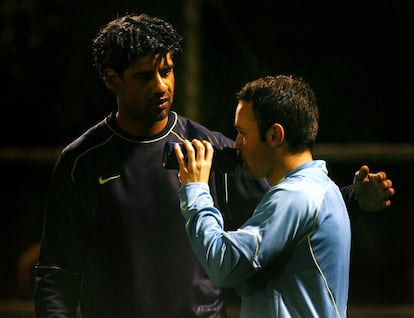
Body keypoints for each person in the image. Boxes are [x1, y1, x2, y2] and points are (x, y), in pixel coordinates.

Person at [33, 13, 394, 318]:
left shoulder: (211, 149)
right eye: (145, 77)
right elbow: (56, 273)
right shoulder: (81, 161)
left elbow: (285, 209)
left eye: (167, 70)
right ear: (113, 79)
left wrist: (353, 198)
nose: (161, 86)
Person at [174, 75, 351, 317]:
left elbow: (223, 265)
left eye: (242, 133)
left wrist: (196, 189)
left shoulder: (295, 195)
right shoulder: (321, 189)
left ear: (275, 136)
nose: (236, 144)